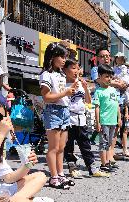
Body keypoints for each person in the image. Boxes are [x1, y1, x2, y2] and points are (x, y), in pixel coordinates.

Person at [63, 58, 109, 178]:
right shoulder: (62, 83)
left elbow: (88, 101)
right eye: (73, 68)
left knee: (85, 144)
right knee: (69, 145)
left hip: (81, 118)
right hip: (68, 118)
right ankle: (72, 167)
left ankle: (92, 168)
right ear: (64, 70)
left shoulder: (81, 84)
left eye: (78, 68)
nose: (76, 71)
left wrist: (85, 88)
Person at [40, 42, 75, 189]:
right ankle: (53, 177)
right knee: (53, 148)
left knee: (61, 147)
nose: (63, 60)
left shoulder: (60, 74)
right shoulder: (46, 74)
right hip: (53, 111)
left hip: (64, 110)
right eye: (61, 56)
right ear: (52, 57)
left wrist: (70, 90)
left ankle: (61, 174)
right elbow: (46, 97)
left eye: (65, 57)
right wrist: (65, 93)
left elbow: (61, 94)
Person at [93, 64, 121, 173]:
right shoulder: (98, 91)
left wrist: (119, 118)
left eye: (110, 77)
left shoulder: (113, 90)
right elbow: (97, 108)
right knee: (103, 143)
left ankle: (108, 161)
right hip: (104, 121)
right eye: (106, 76)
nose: (109, 79)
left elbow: (117, 105)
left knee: (109, 143)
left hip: (113, 120)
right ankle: (103, 163)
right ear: (100, 76)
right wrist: (97, 122)